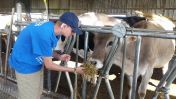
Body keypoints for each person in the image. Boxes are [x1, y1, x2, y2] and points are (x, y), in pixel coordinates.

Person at [8, 12, 84, 99]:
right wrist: (74, 70)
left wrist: (59, 57)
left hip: (35, 63)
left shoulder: (54, 30)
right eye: (73, 30)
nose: (73, 34)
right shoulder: (45, 34)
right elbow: (49, 65)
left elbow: (45, 50)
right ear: (64, 26)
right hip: (25, 66)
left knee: (36, 93)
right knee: (28, 96)